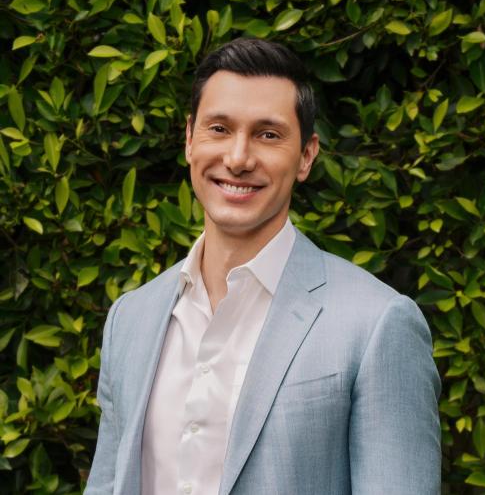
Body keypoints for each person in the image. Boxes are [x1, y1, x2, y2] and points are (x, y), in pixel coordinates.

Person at [85, 38, 441, 495]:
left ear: (306, 155)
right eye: (219, 128)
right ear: (190, 139)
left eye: (268, 134)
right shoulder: (130, 318)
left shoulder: (377, 324)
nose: (238, 159)